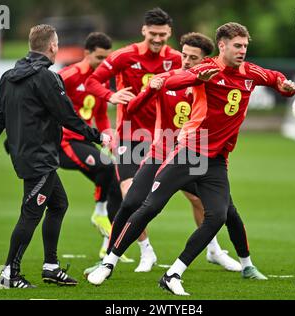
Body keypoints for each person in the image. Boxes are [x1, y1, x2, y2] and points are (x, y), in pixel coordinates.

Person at [86, 22, 295, 295]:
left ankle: (174, 273)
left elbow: (275, 78)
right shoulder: (207, 69)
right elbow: (180, 78)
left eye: (245, 46)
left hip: (217, 161)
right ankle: (110, 262)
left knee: (219, 215)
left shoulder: (251, 72)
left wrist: (286, 87)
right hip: (188, 154)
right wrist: (161, 81)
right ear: (222, 46)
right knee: (149, 207)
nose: (243, 51)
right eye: (237, 46)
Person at [85, 32, 242, 277]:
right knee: (133, 202)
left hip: (192, 151)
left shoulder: (213, 84)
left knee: (211, 206)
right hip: (157, 147)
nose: (186, 61)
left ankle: (218, 251)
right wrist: (147, 90)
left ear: (206, 60)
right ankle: (115, 259)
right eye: (185, 56)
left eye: (193, 58)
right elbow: (132, 108)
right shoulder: (167, 77)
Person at [0, 24, 110, 289]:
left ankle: (51, 267)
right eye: (56, 44)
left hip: (26, 155)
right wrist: (98, 136)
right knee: (31, 213)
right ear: (52, 47)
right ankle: (10, 275)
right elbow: (67, 116)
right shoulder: (48, 77)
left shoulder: (9, 75)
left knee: (59, 204)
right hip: (40, 159)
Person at [85, 7, 182, 272]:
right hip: (131, 135)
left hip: (168, 137)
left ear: (169, 32)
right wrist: (110, 96)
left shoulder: (176, 58)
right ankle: (146, 250)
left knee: (197, 197)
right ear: (143, 30)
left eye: (162, 34)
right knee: (130, 194)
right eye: (153, 33)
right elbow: (93, 81)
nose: (158, 39)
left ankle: (214, 250)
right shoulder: (125, 55)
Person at [57, 32, 132, 263]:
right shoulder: (68, 75)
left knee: (116, 187)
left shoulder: (99, 81)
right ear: (87, 53)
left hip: (85, 139)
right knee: (107, 168)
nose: (104, 63)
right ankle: (99, 214)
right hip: (64, 142)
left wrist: (108, 136)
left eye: (107, 58)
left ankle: (108, 247)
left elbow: (100, 114)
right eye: (99, 58)